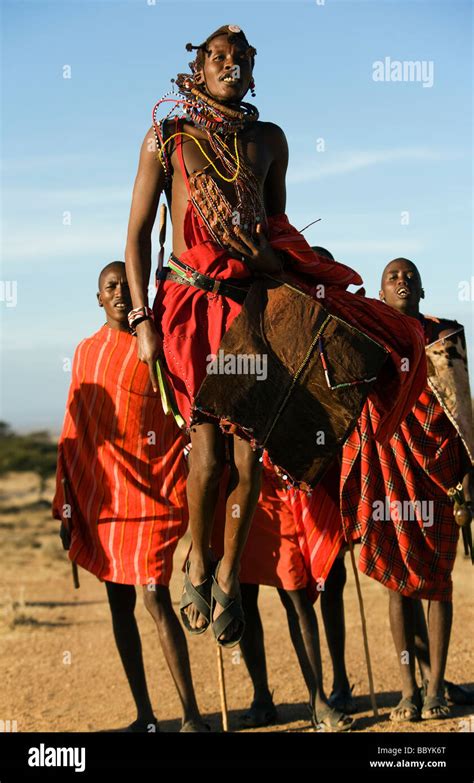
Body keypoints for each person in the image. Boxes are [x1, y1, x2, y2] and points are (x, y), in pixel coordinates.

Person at [125, 24, 426, 649]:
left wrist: (273, 257)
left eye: (241, 59)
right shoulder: (167, 138)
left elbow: (279, 228)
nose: (229, 67)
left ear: (254, 71)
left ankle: (230, 573)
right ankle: (199, 560)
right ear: (199, 65)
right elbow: (133, 239)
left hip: (249, 311)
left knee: (246, 459)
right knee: (205, 456)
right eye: (218, 58)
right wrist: (141, 320)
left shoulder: (270, 140)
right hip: (185, 307)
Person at [52, 261, 208, 732]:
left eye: (125, 285)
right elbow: (73, 434)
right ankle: (145, 715)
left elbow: (180, 416)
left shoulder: (157, 347)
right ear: (98, 297)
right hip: (105, 502)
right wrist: (66, 504)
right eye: (110, 287)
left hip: (153, 494)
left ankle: (191, 715)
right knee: (119, 606)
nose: (120, 292)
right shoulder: (86, 354)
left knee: (155, 598)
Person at [339, 257, 474, 722]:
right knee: (397, 585)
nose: (402, 281)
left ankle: (436, 686)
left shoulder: (444, 339)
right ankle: (408, 691)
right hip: (388, 473)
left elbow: (462, 418)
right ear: (380, 293)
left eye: (409, 276)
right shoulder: (370, 341)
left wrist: (468, 476)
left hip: (437, 475)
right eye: (393, 277)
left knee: (436, 585)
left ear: (421, 290)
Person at [211, 452, 353, 731]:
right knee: (243, 591)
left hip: (269, 482)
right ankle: (261, 698)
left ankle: (319, 700)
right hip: (230, 485)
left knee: (294, 592)